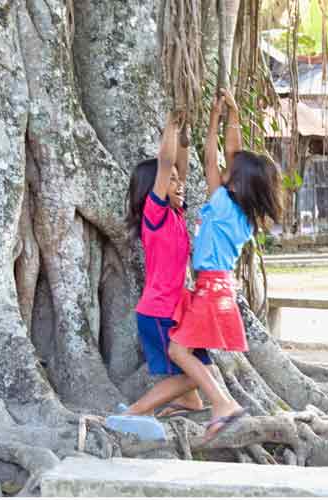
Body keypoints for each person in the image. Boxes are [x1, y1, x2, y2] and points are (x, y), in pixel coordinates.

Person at [121, 88, 283, 441]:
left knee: (180, 354)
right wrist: (224, 118)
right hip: (211, 291)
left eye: (230, 170)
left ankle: (221, 405)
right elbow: (188, 163)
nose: (224, 167)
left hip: (207, 291)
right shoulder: (238, 213)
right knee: (190, 361)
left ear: (236, 182)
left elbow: (206, 159)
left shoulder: (221, 203)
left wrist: (196, 125)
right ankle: (195, 400)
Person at [124, 111, 213, 417]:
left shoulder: (175, 214)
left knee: (196, 368)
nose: (179, 184)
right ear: (155, 188)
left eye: (178, 179)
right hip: (160, 310)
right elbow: (165, 164)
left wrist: (185, 135)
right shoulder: (156, 215)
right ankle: (133, 412)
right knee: (190, 372)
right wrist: (171, 127)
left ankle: (189, 402)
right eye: (171, 181)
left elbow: (179, 168)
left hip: (177, 308)